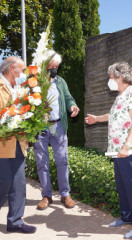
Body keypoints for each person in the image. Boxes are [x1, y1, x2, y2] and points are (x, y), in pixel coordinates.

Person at [85, 61, 132, 239]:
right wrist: (96, 119)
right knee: (122, 186)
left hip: (129, 149)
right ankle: (126, 216)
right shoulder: (121, 95)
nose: (110, 81)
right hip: (117, 150)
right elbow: (114, 116)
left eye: (111, 77)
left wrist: (126, 146)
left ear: (120, 77)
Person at [0, 56, 36, 235]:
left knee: (19, 183)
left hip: (19, 142)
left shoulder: (20, 88)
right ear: (13, 69)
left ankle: (15, 222)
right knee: (5, 181)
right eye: (22, 69)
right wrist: (10, 123)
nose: (24, 73)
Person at [33, 50, 80, 210]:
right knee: (42, 162)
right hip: (40, 127)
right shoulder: (34, 82)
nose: (53, 69)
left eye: (56, 67)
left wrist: (72, 106)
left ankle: (65, 194)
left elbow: (68, 98)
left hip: (58, 125)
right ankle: (46, 196)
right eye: (51, 66)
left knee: (62, 160)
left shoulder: (60, 81)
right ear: (44, 65)